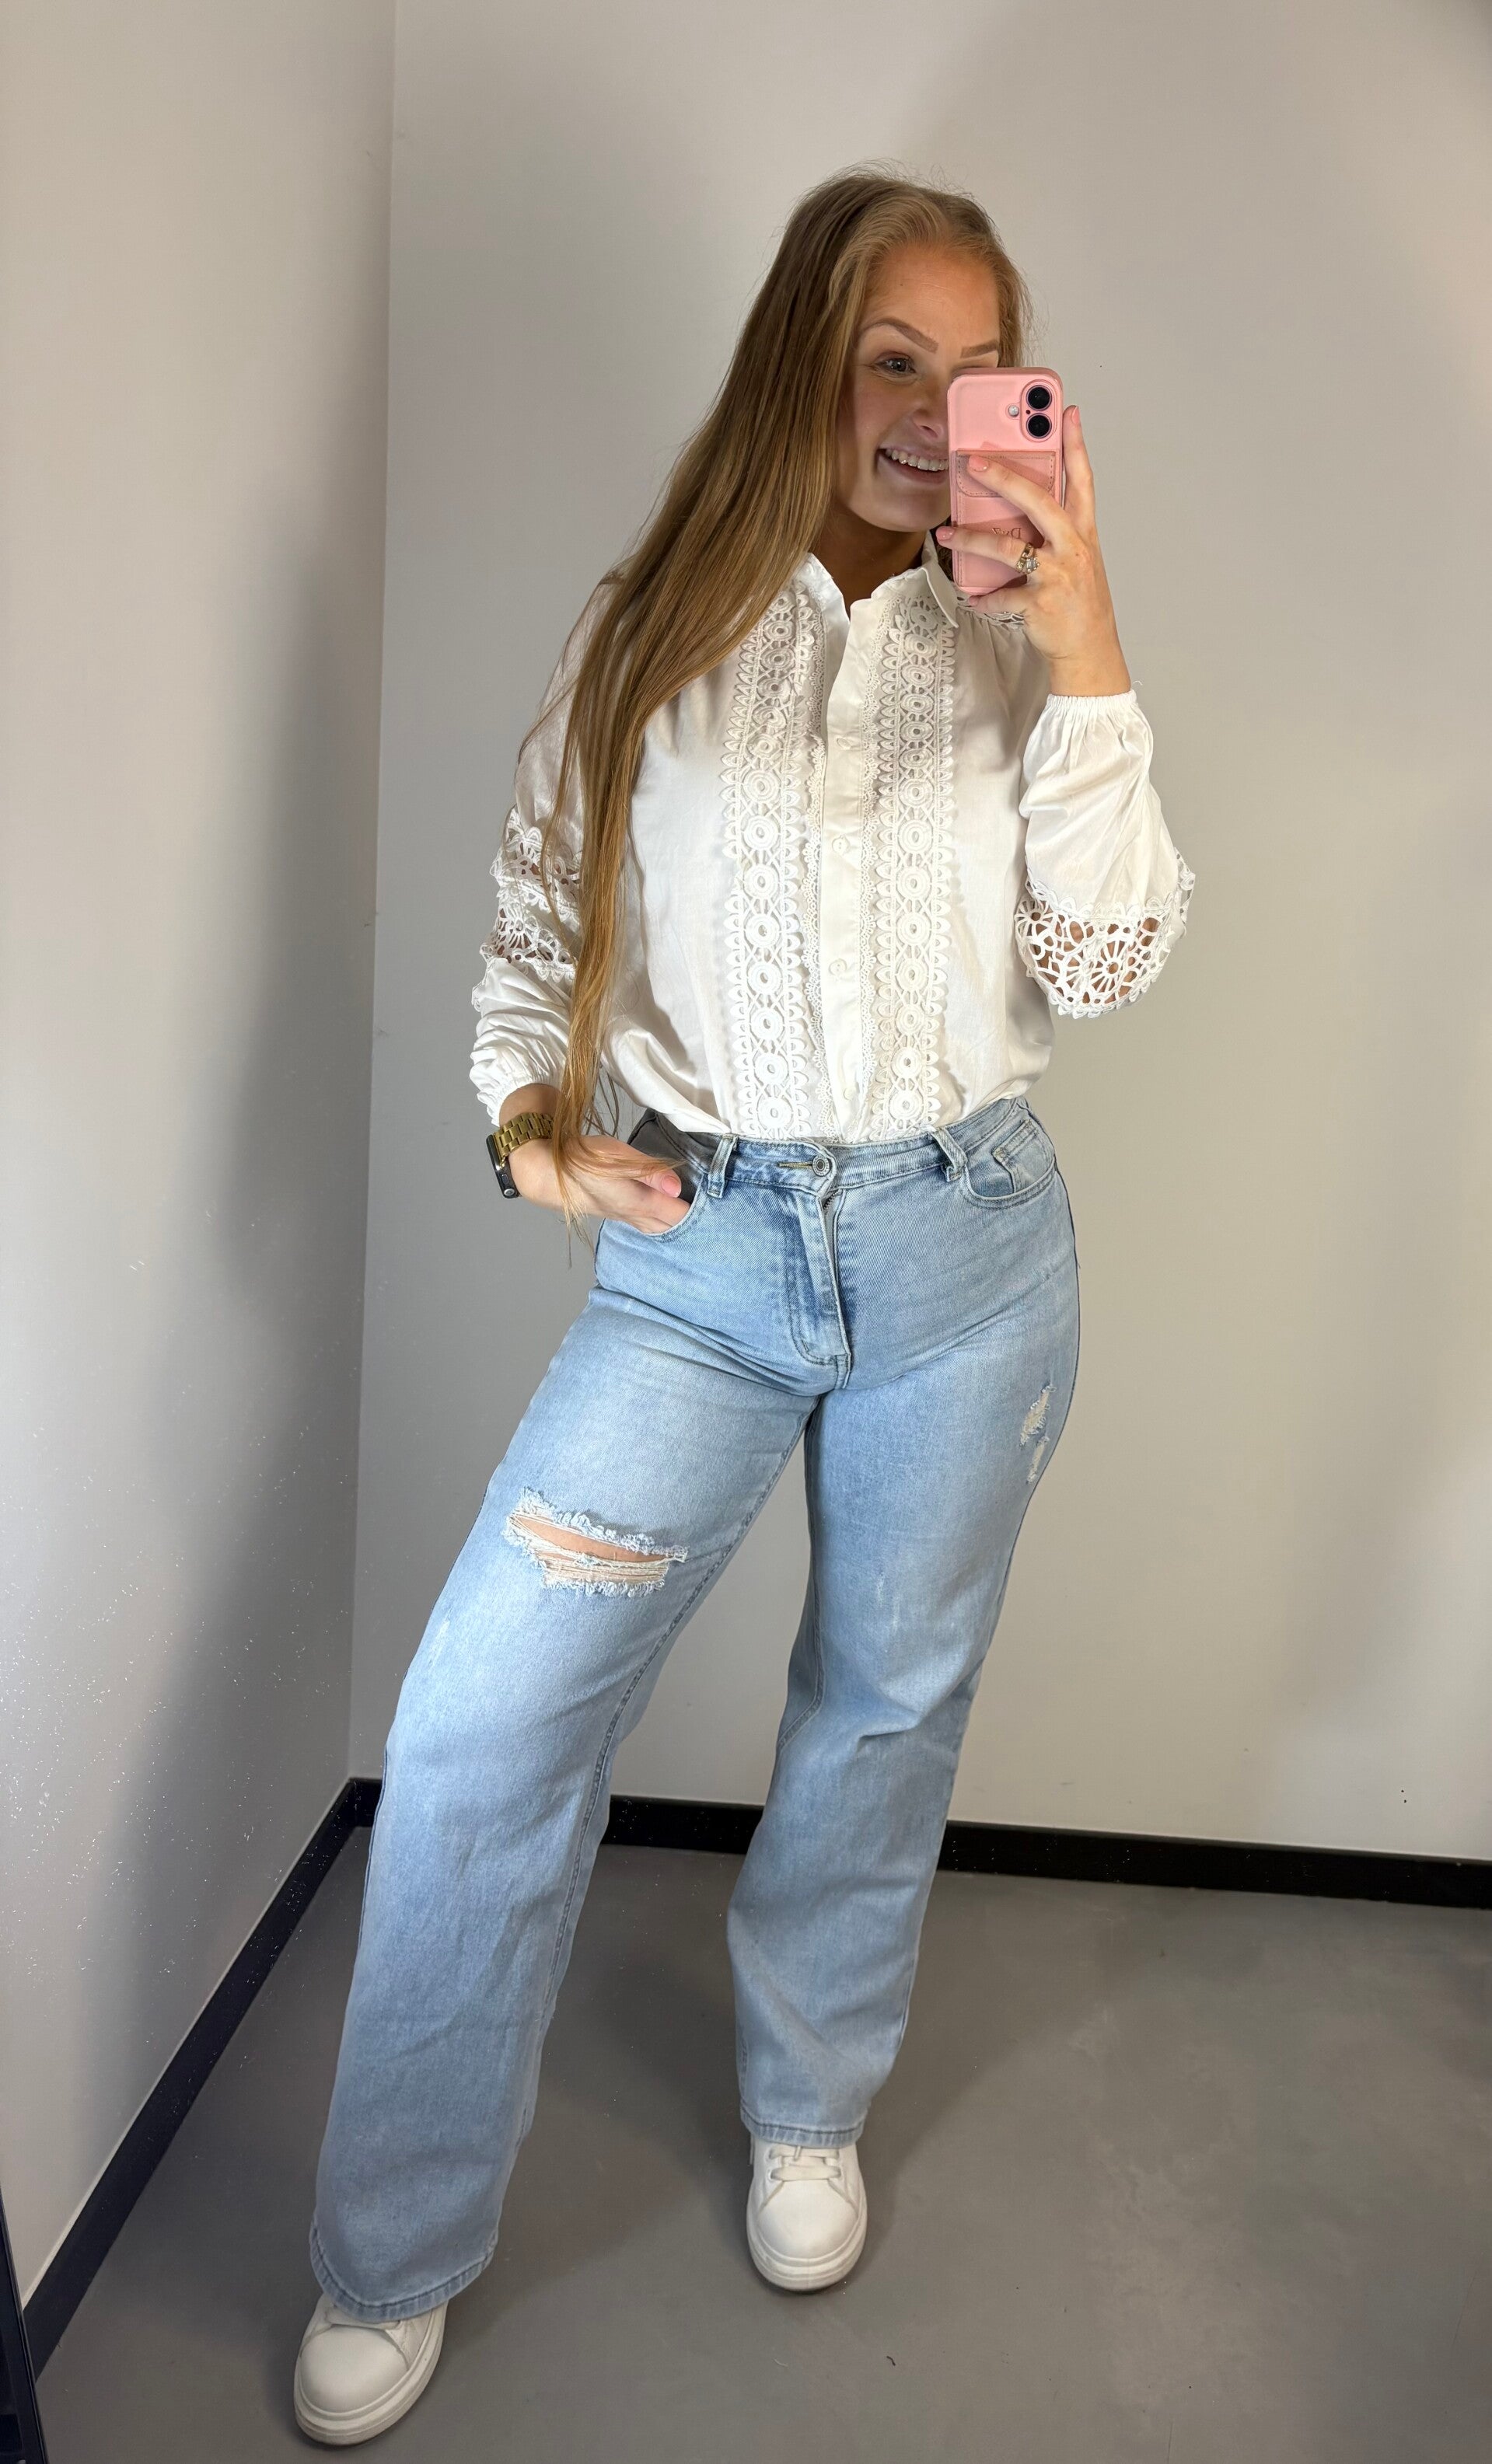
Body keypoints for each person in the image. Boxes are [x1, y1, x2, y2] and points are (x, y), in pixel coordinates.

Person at [292, 166, 1193, 2445]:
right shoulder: (648, 630)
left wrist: (1089, 635)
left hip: (967, 1252)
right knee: (486, 1718)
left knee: (883, 1705)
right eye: (888, 358)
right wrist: (532, 1133)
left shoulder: (1027, 648)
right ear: (806, 353)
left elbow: (1109, 963)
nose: (925, 413)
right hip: (695, 1262)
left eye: (972, 372)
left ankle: (811, 2103)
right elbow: (535, 929)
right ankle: (392, 2242)